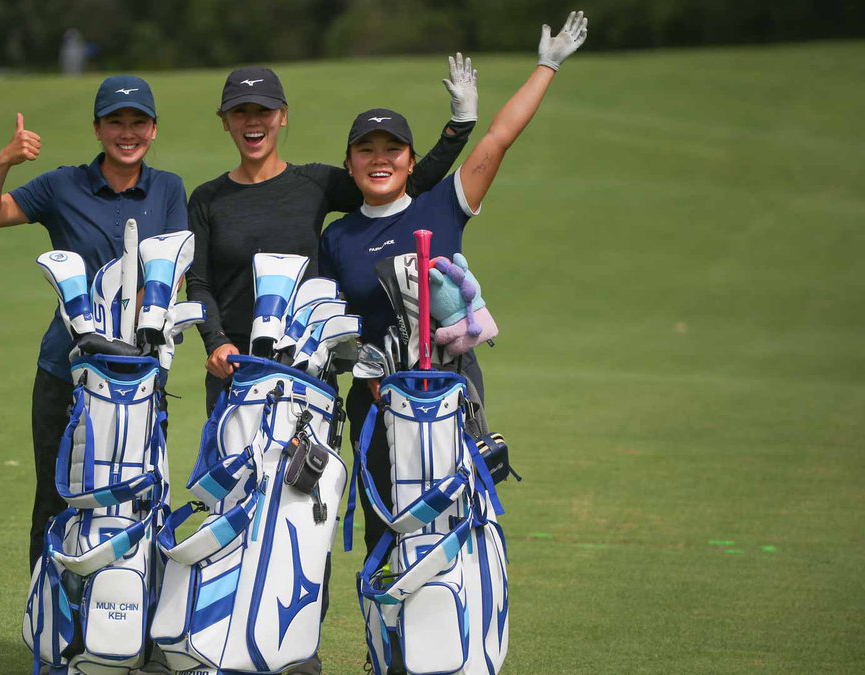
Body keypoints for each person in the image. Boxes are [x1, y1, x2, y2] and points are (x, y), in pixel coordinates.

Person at [319, 12, 588, 564]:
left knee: (451, 515)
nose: (379, 159)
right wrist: (361, 363)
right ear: (349, 164)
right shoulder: (338, 236)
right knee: (382, 521)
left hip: (448, 388)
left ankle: (447, 636)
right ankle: (385, 644)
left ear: (411, 160)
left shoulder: (440, 204)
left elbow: (500, 138)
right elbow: (330, 326)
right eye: (366, 150)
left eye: (391, 149)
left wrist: (546, 66)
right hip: (374, 399)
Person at [0, 76, 187, 573]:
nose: (126, 133)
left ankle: (125, 631)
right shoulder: (62, 185)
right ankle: (51, 628)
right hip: (65, 371)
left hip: (140, 376)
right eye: (115, 122)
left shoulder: (169, 188)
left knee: (135, 498)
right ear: (97, 129)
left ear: (152, 130)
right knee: (57, 497)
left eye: (137, 123)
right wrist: (3, 162)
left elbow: (172, 272)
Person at [186, 57, 481, 415]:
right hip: (232, 368)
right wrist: (216, 343)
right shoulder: (207, 198)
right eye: (240, 112)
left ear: (282, 115)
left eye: (263, 110)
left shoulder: (315, 184)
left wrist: (457, 129)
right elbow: (200, 284)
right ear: (225, 121)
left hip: (306, 367)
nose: (252, 121)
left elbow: (401, 181)